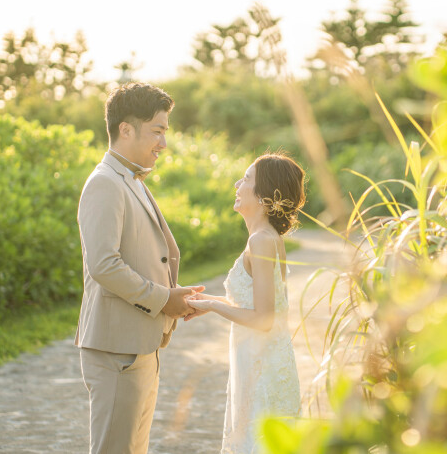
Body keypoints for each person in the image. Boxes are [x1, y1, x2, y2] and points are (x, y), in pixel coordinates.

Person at [75, 82, 203, 454]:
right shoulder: (105, 183)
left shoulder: (130, 178)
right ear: (125, 130)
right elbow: (104, 264)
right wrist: (165, 299)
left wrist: (175, 300)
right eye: (158, 131)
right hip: (118, 350)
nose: (164, 142)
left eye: (165, 131)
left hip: (139, 344)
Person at [186, 151, 304, 453]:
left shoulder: (262, 240)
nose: (237, 184)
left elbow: (263, 318)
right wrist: (203, 299)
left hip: (262, 366)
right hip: (258, 360)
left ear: (264, 197)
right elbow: (253, 302)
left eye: (246, 179)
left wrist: (213, 307)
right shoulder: (267, 237)